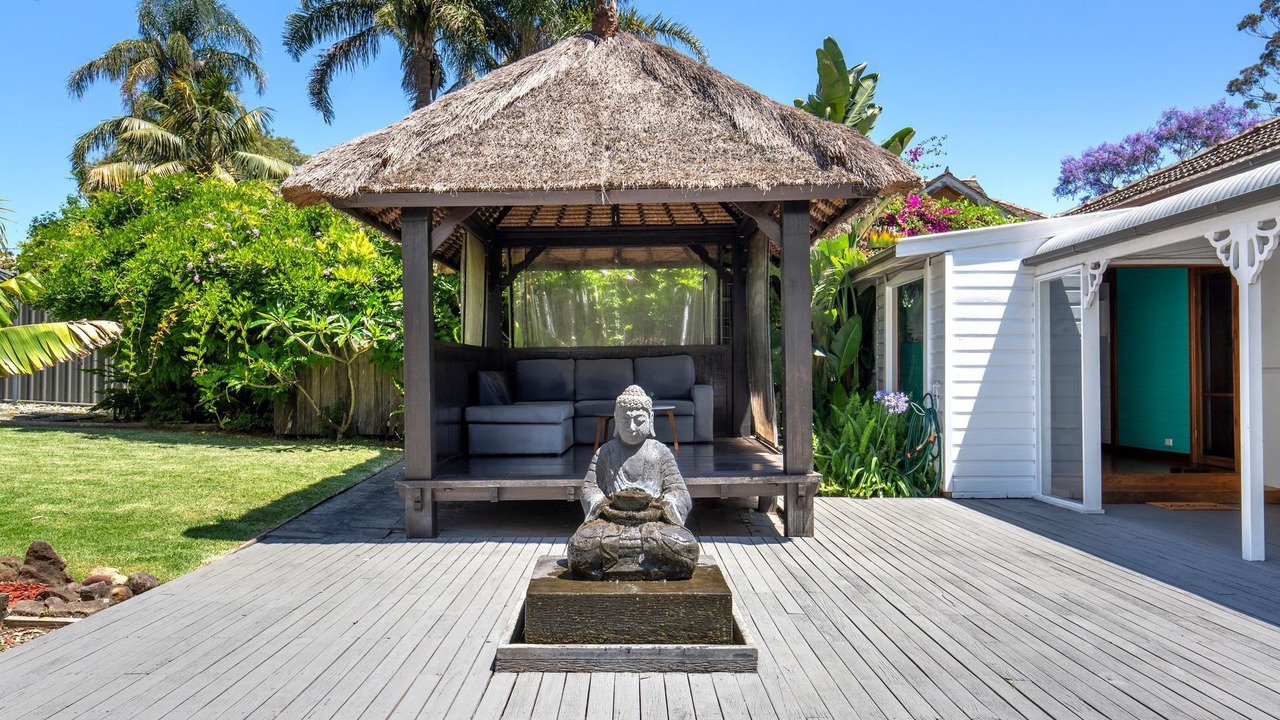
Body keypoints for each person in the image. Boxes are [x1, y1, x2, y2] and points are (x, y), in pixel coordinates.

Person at [568, 385, 700, 580]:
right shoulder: (606, 451)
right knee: (579, 546)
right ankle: (649, 566)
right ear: (616, 420)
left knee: (685, 546)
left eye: (639, 420)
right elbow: (589, 488)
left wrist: (662, 504)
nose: (631, 427)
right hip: (612, 522)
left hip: (653, 522)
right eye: (625, 420)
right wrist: (603, 504)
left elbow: (679, 492)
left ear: (650, 419)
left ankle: (619, 565)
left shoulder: (660, 452)